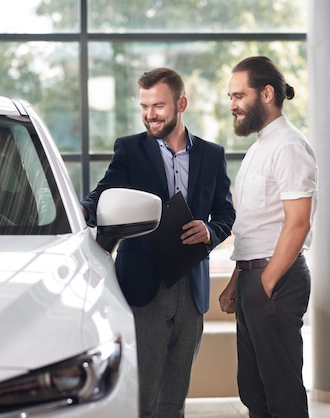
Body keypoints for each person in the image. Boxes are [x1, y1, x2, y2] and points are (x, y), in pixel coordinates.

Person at [80, 67, 235, 418]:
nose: (150, 114)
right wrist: (85, 208)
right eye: (144, 106)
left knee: (174, 401)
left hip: (191, 288)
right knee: (143, 398)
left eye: (159, 106)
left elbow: (225, 213)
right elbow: (108, 189)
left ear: (181, 103)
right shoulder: (130, 149)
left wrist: (211, 232)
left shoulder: (212, 155)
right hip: (143, 286)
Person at [219, 56, 318, 418]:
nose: (232, 105)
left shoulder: (288, 146)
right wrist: (237, 281)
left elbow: (298, 223)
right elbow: (253, 228)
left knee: (282, 395)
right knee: (253, 390)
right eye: (230, 96)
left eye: (238, 95)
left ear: (267, 93)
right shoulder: (258, 149)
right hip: (253, 278)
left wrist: (266, 281)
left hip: (276, 281)